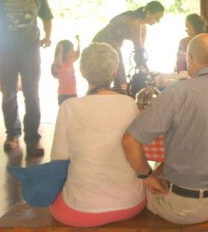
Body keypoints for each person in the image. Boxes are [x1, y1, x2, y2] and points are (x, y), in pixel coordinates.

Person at [122, 34, 208, 225]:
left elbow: (130, 141)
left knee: (134, 189)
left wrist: (147, 176)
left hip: (184, 206)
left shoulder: (178, 92)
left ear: (189, 59)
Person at [50, 43, 146, 227]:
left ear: (82, 70)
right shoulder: (128, 104)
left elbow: (58, 158)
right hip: (131, 203)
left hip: (81, 209)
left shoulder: (69, 107)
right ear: (114, 71)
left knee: (51, 201)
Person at [0, 0, 53, 156]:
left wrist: (48, 36)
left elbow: (47, 16)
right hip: (5, 50)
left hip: (30, 50)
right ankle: (13, 134)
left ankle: (33, 138)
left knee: (32, 95)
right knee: (9, 94)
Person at [93, 1, 164, 89]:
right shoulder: (134, 22)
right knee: (115, 80)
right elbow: (138, 50)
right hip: (100, 45)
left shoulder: (143, 28)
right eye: (156, 18)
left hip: (114, 47)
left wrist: (144, 69)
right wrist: (145, 71)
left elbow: (139, 53)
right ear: (148, 13)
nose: (158, 21)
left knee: (120, 79)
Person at [51, 36, 80, 105]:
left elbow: (78, 55)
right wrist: (60, 50)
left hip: (73, 93)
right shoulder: (59, 65)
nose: (74, 51)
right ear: (65, 52)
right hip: (63, 95)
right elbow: (58, 61)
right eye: (71, 49)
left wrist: (78, 42)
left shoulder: (70, 61)